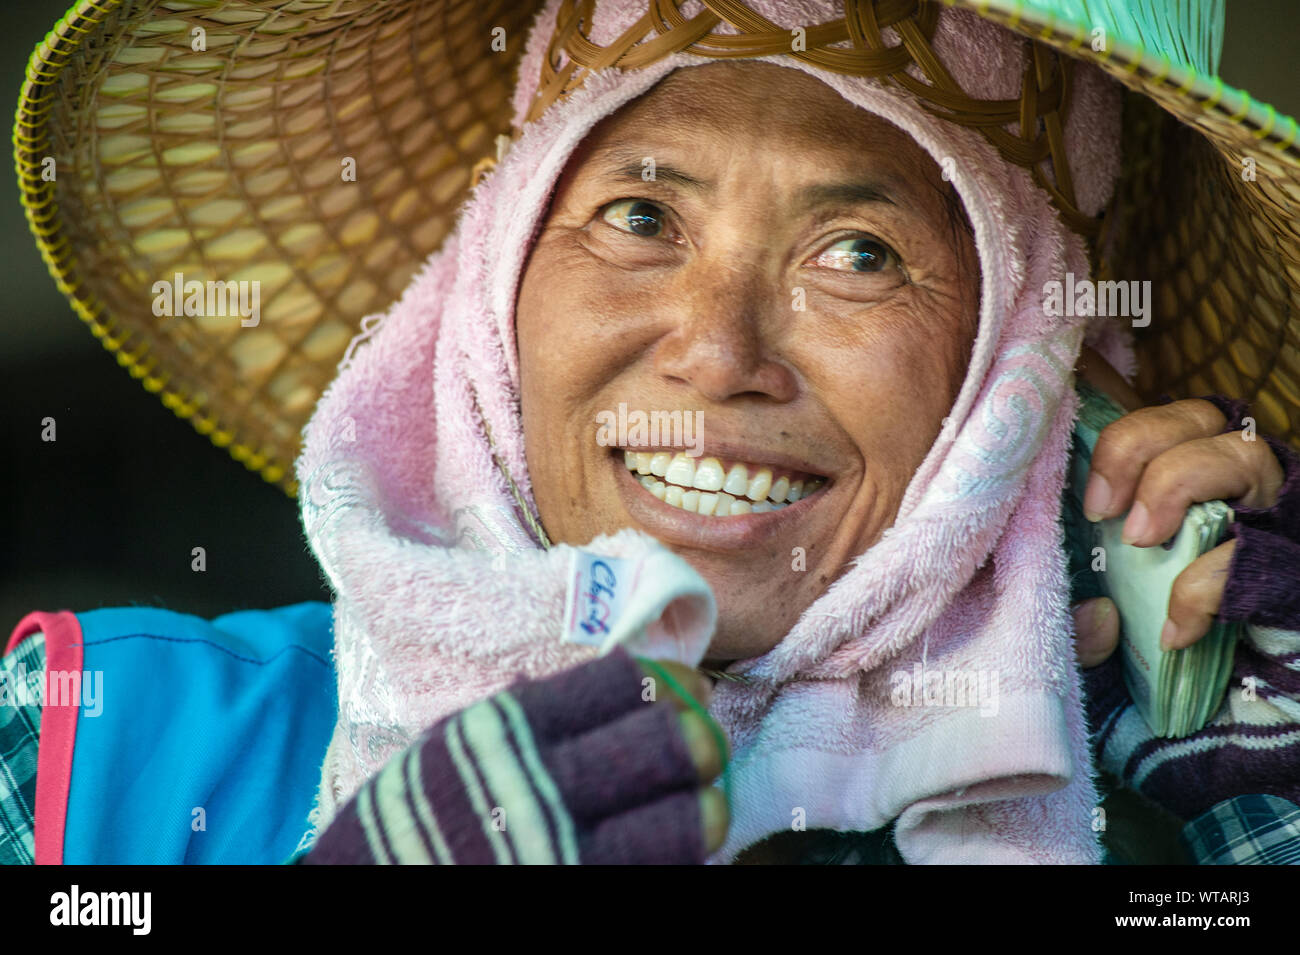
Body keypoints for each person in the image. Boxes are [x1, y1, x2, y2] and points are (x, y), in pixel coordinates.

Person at [6, 0, 1300, 864]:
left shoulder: (1153, 807)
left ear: (1029, 370)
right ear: (493, 276)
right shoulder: (94, 738)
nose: (720, 351)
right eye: (638, 218)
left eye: (860, 252)